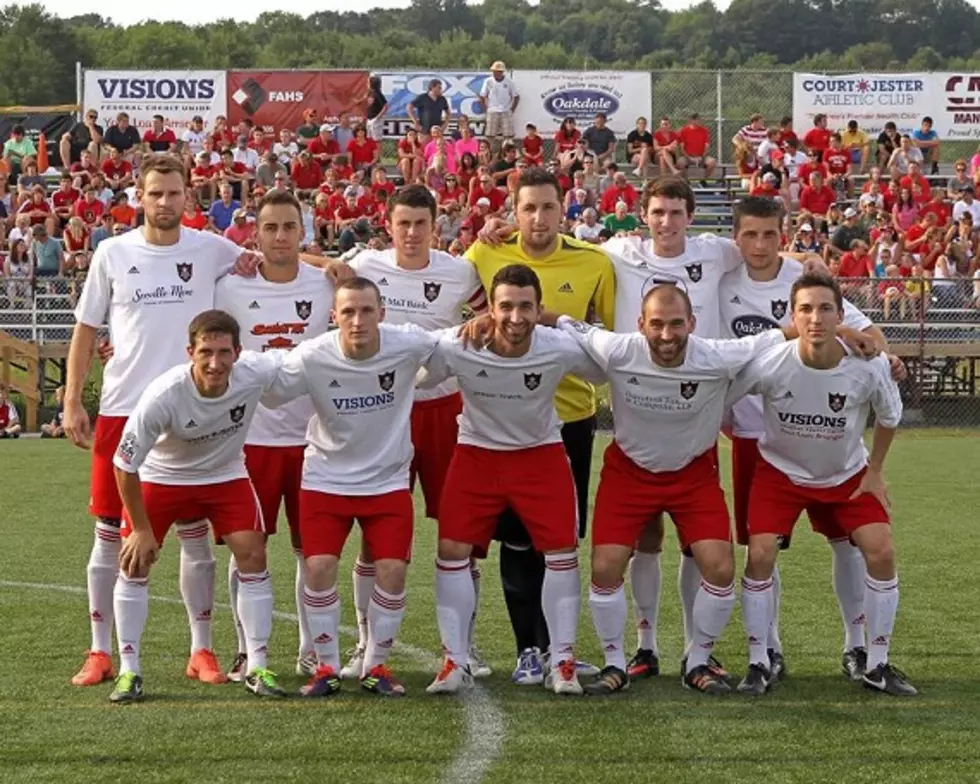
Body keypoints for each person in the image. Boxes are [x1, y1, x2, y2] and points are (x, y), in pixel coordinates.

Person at [64, 154, 257, 689]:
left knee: (195, 536)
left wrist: (331, 264)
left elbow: (272, 257)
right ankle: (101, 651)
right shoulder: (112, 252)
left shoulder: (211, 247)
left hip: (192, 408)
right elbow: (86, 328)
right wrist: (74, 399)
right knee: (110, 535)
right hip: (126, 409)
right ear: (139, 197)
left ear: (187, 196)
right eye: (155, 193)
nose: (165, 202)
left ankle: (202, 651)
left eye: (174, 193)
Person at [542, 284, 792, 694]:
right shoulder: (619, 349)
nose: (666, 333)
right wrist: (533, 314)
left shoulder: (715, 355)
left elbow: (777, 336)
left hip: (693, 474)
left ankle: (697, 660)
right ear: (641, 324)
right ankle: (616, 663)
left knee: (721, 567)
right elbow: (572, 326)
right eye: (656, 323)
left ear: (692, 324)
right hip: (629, 473)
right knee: (605, 567)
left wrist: (851, 334)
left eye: (677, 323)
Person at [720, 196, 898, 682]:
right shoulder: (719, 279)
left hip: (825, 431)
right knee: (760, 551)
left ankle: (858, 647)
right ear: (736, 239)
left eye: (770, 235)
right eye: (750, 235)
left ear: (785, 237)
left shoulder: (807, 284)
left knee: (850, 545)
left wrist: (856, 340)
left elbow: (870, 335)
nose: (759, 245)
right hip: (758, 436)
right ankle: (768, 649)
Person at [425, 264, 605, 696]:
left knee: (562, 550)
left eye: (526, 307)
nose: (515, 317)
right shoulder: (459, 344)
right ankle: (455, 660)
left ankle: (561, 662)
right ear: (490, 307)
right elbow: (412, 366)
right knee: (452, 549)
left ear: (539, 308)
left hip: (539, 455)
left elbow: (608, 363)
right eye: (505, 306)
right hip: (476, 455)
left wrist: (565, 321)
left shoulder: (559, 347)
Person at [465, 168, 614, 685]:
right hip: (502, 421)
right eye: (528, 208)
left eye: (548, 207)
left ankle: (559, 650)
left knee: (560, 541)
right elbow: (449, 304)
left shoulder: (594, 261)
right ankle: (529, 648)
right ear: (513, 209)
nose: (538, 218)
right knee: (517, 541)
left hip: (570, 420)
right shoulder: (485, 254)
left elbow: (606, 340)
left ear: (563, 208)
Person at [264, 277, 442, 698]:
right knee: (319, 567)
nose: (357, 320)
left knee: (393, 570)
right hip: (327, 479)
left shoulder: (408, 344)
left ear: (382, 313)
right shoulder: (312, 356)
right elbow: (270, 387)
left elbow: (450, 346)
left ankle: (376, 665)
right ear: (334, 317)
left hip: (387, 478)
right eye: (348, 312)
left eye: (366, 311)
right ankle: (325, 667)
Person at [342, 185, 489, 680]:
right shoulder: (366, 265)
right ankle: (363, 643)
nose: (410, 233)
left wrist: (480, 326)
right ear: (388, 224)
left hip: (444, 410)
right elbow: (322, 271)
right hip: (384, 413)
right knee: (374, 532)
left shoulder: (458, 271)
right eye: (402, 223)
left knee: (459, 533)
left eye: (420, 224)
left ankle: (464, 648)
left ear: (435, 226)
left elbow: (492, 310)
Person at [108, 310, 288, 703]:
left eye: (224, 352)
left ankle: (257, 665)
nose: (215, 362)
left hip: (225, 475)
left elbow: (304, 361)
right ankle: (129, 671)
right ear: (190, 351)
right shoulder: (164, 394)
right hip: (163, 477)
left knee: (253, 552)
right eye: (206, 351)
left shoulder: (254, 373)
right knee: (134, 562)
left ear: (239, 352)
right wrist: (140, 529)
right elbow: (124, 463)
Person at [214, 190, 335, 682]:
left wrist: (332, 265)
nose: (280, 236)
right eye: (271, 228)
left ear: (302, 233)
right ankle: (246, 648)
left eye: (289, 227)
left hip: (314, 441)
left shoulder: (327, 283)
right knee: (248, 548)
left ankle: (310, 651)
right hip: (252, 439)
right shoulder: (230, 288)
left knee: (314, 550)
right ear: (255, 234)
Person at [479, 61, 520, 147]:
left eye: (497, 71)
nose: (495, 73)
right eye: (494, 71)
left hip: (506, 110)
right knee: (490, 135)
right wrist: (486, 108)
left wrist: (512, 110)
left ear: (502, 72)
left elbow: (516, 97)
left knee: (508, 136)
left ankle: (506, 154)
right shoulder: (488, 81)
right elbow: (482, 96)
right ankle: (490, 154)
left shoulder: (509, 82)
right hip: (492, 110)